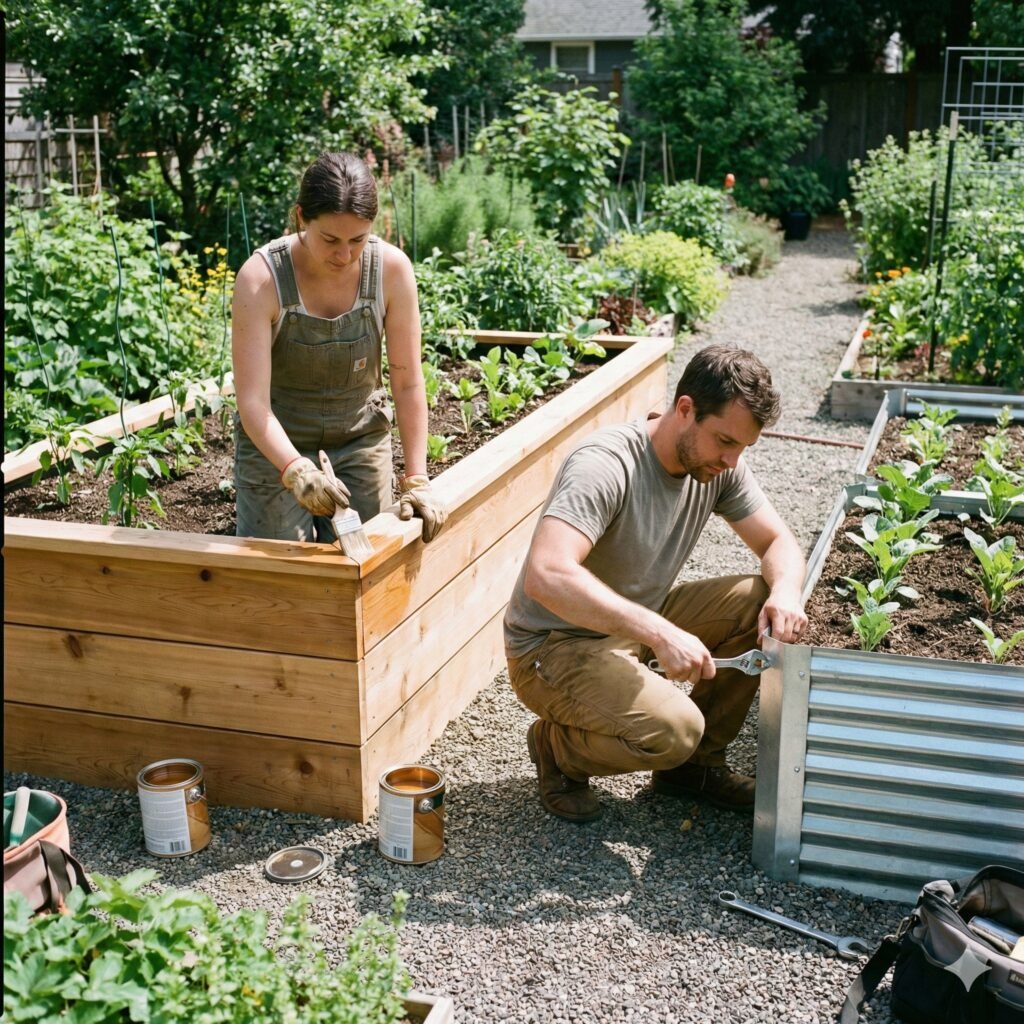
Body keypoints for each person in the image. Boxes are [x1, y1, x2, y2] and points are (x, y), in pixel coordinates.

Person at [503, 344, 808, 822]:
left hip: (634, 622)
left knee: (759, 599)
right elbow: (547, 574)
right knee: (674, 729)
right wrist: (660, 633)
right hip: (554, 645)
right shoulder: (606, 465)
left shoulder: (717, 466)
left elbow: (778, 542)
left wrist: (786, 593)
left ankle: (694, 769)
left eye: (742, 448)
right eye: (724, 441)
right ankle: (556, 749)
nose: (731, 460)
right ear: (684, 409)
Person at [231, 151, 447, 544]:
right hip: (276, 442)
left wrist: (417, 478)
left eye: (358, 239)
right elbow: (253, 404)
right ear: (301, 217)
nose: (344, 255)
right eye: (330, 239)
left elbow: (408, 382)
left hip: (359, 439)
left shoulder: (392, 271)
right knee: (278, 566)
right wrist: (295, 470)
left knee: (370, 557)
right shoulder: (261, 279)